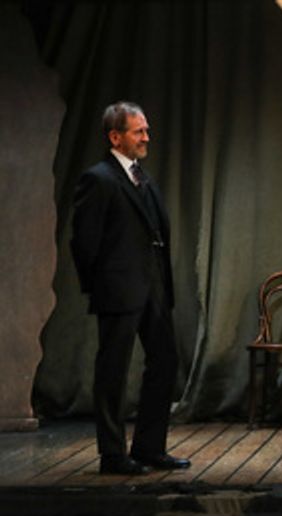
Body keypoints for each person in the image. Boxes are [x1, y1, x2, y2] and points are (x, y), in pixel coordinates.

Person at [70, 101, 189, 475]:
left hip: (153, 286)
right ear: (115, 136)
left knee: (165, 360)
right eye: (139, 131)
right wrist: (100, 286)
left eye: (146, 130)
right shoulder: (99, 179)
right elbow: (83, 241)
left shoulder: (142, 177)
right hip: (119, 289)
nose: (146, 137)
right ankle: (112, 454)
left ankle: (150, 447)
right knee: (113, 371)